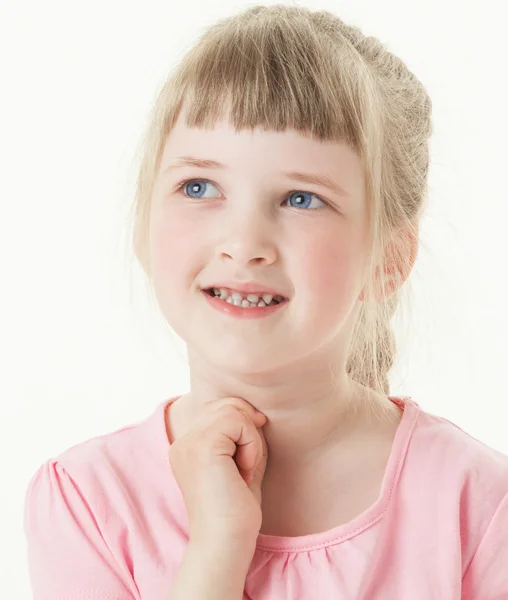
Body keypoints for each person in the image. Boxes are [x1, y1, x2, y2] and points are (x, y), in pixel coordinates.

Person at [23, 4, 508, 599]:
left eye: (301, 199)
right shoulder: (87, 504)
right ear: (144, 226)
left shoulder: (477, 506)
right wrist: (219, 549)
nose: (243, 244)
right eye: (199, 187)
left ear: (388, 260)